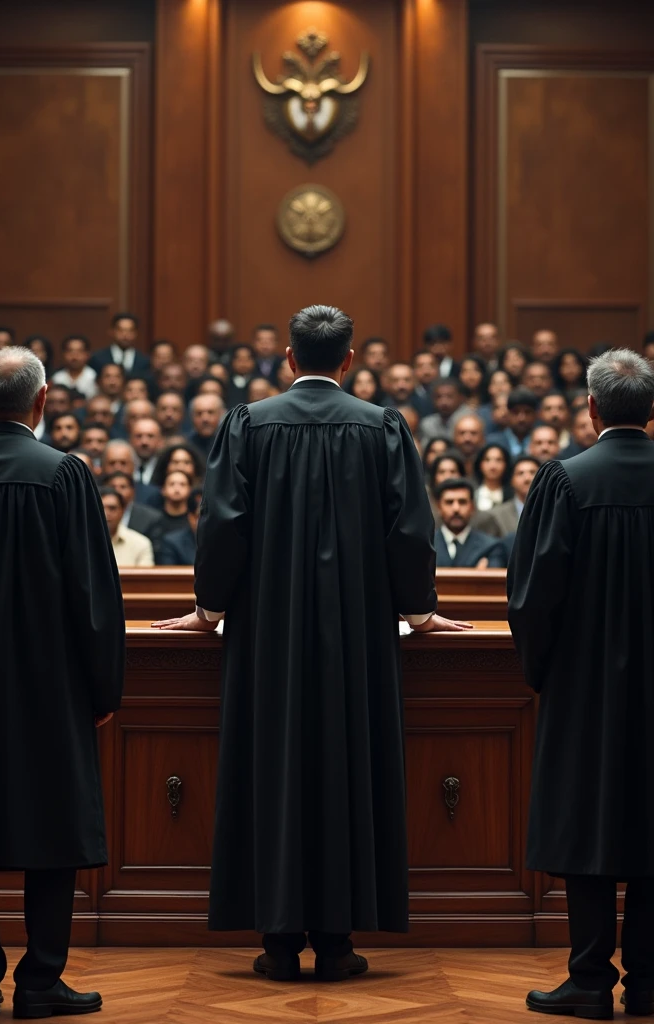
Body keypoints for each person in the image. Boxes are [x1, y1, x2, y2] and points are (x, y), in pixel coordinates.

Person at [153, 304, 470, 981]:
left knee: (275, 768)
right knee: (345, 767)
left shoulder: (249, 424)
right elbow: (410, 533)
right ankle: (336, 941)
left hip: (269, 636)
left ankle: (275, 941)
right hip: (356, 638)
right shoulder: (382, 427)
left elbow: (223, 527)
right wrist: (420, 610)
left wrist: (208, 610)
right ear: (349, 361)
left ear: (289, 361)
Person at [0, 348, 123, 1018]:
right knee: (52, 829)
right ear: (42, 400)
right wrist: (102, 691)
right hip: (47, 690)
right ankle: (39, 982)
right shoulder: (63, 474)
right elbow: (93, 598)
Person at [508, 349, 654, 1020]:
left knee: (586, 824)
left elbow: (534, 598)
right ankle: (651, 982)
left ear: (590, 408)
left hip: (584, 690)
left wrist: (545, 676)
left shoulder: (564, 479)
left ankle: (590, 980)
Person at [433, 479, 505, 568]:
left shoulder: (490, 547)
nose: (456, 508)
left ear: (472, 507)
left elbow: (494, 580)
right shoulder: (425, 546)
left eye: (462, 502)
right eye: (449, 502)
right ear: (439, 507)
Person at [102, 470, 165, 557]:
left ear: (133, 491)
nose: (117, 491)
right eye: (113, 486)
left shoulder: (150, 518)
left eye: (123, 487)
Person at [100, 486, 154, 566]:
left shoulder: (141, 543)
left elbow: (145, 578)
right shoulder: (80, 541)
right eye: (100, 508)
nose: (106, 513)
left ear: (122, 511)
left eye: (112, 508)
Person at [488, 455, 540, 538]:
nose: (527, 478)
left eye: (532, 472)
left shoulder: (555, 510)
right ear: (512, 480)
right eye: (520, 473)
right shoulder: (496, 515)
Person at [487, 387, 538, 456]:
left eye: (527, 412)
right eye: (516, 412)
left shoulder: (543, 443)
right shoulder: (493, 443)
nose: (521, 418)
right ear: (508, 414)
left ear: (535, 415)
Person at [157, 488, 202, 565]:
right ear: (191, 517)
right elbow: (169, 575)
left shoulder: (225, 541)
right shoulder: (172, 543)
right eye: (200, 516)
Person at [420, 379, 470, 445]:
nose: (444, 402)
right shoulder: (427, 424)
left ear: (461, 398)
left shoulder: (469, 420)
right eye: (439, 397)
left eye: (449, 396)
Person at [52, 335, 97, 399]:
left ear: (87, 354)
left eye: (79, 351)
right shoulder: (57, 378)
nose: (74, 356)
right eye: (70, 351)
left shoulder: (94, 377)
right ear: (63, 354)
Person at [474, 443, 513, 511]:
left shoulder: (513, 495)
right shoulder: (473, 492)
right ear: (480, 464)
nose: (493, 466)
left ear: (506, 464)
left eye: (498, 460)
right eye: (487, 460)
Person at [188, 393, 226, 459]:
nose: (205, 419)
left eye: (210, 412)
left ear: (221, 414)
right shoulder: (185, 445)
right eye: (199, 413)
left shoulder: (232, 445)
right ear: (192, 417)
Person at [129, 416, 163, 485]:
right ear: (130, 440)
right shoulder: (122, 465)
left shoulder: (165, 467)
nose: (144, 442)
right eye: (139, 436)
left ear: (160, 441)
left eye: (150, 436)